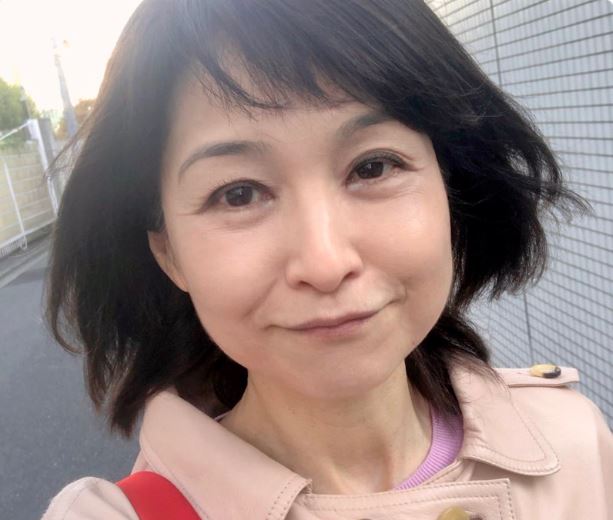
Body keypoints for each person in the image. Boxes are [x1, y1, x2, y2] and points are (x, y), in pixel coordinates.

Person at [41, 0, 612, 518]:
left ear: (451, 189)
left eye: (373, 167)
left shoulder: (574, 442)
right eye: (238, 194)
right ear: (169, 253)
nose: (325, 262)